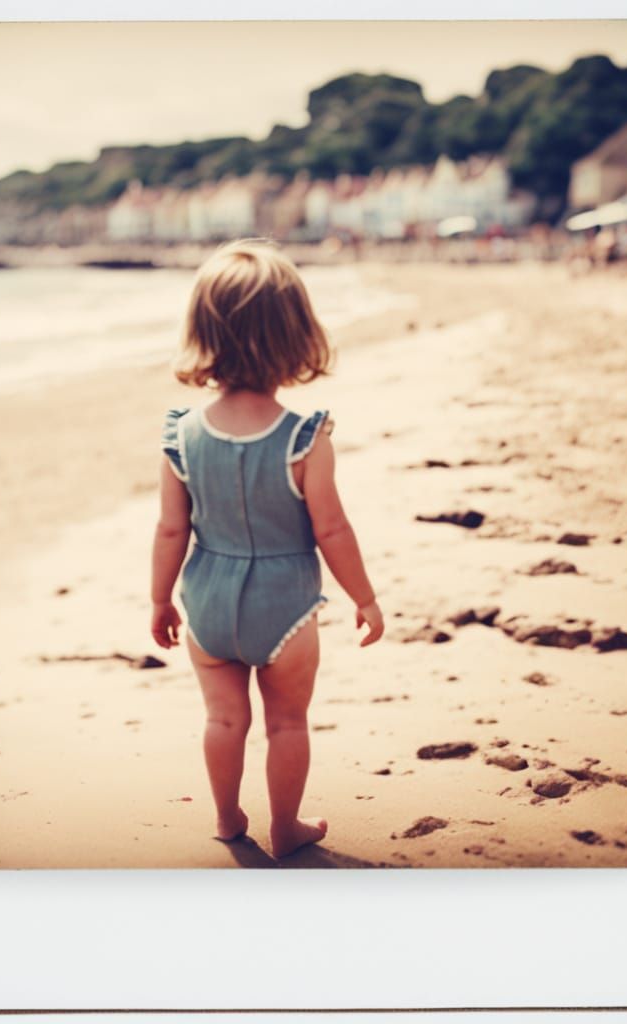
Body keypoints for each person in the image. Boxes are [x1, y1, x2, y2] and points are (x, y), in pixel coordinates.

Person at [150, 239, 385, 858]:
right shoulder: (305, 439)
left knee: (223, 721)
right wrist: (364, 597)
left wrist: (158, 601)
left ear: (202, 333)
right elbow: (332, 529)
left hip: (206, 603)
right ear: (294, 336)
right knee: (287, 723)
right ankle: (286, 827)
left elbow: (171, 530)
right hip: (286, 608)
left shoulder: (182, 435)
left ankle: (228, 820)